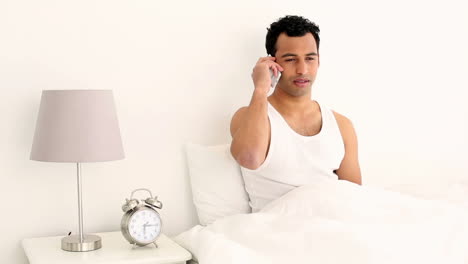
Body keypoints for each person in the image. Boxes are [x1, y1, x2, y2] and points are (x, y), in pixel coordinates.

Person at [230, 15, 362, 212]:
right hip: (275, 230)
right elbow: (249, 158)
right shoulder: (248, 116)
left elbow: (355, 197)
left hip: (334, 226)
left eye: (310, 58)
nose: (302, 69)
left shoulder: (341, 125)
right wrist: (260, 89)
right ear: (271, 62)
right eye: (291, 59)